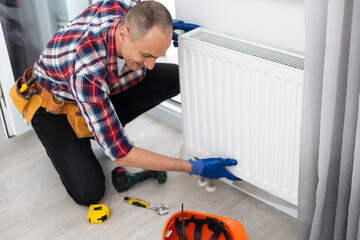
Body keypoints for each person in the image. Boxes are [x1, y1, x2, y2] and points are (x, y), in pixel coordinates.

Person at [26, 0, 240, 206]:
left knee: (176, 78)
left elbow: (149, 14)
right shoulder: (87, 70)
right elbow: (122, 154)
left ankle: (100, 127)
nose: (151, 65)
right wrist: (193, 167)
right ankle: (88, 136)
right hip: (54, 109)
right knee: (89, 193)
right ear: (123, 34)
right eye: (147, 55)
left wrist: (166, 27)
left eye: (157, 56)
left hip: (97, 92)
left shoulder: (128, 8)